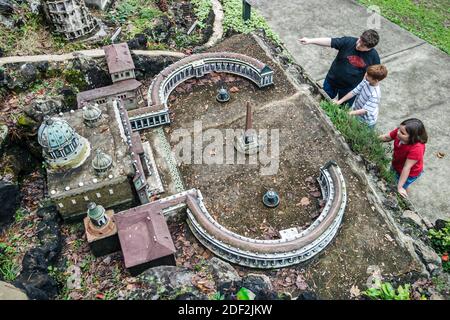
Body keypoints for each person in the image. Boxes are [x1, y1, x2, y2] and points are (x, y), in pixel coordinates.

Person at [299, 29, 380, 105]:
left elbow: (375, 76)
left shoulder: (374, 57)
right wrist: (310, 40)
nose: (358, 45)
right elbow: (330, 41)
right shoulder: (348, 41)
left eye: (362, 46)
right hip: (332, 81)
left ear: (370, 48)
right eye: (359, 40)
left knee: (343, 108)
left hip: (350, 89)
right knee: (322, 100)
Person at [379, 119, 428, 198]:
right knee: (395, 179)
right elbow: (387, 137)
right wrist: (372, 139)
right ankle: (404, 187)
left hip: (410, 173)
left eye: (402, 133)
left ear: (413, 137)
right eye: (399, 129)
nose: (398, 132)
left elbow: (407, 167)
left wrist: (399, 187)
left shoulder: (417, 148)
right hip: (397, 164)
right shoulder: (400, 133)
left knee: (397, 186)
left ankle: (403, 192)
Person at [335, 64, 388, 129]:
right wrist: (339, 102)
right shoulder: (366, 81)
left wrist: (348, 113)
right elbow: (354, 92)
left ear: (376, 80)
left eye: (368, 76)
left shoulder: (375, 95)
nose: (365, 75)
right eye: (367, 73)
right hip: (357, 113)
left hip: (366, 121)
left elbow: (364, 110)